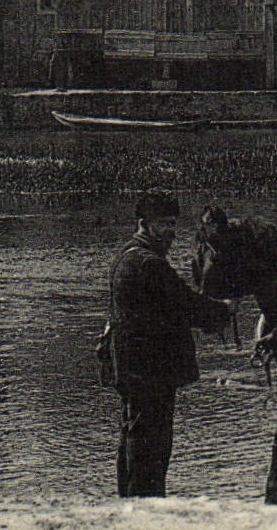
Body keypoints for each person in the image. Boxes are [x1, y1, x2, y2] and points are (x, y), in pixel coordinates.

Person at [108, 191, 233, 498]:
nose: (171, 232)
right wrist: (224, 309)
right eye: (163, 224)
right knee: (152, 446)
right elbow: (186, 304)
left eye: (173, 224)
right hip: (150, 372)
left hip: (130, 368)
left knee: (133, 439)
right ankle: (146, 511)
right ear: (143, 224)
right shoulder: (150, 265)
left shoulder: (126, 255)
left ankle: (129, 507)